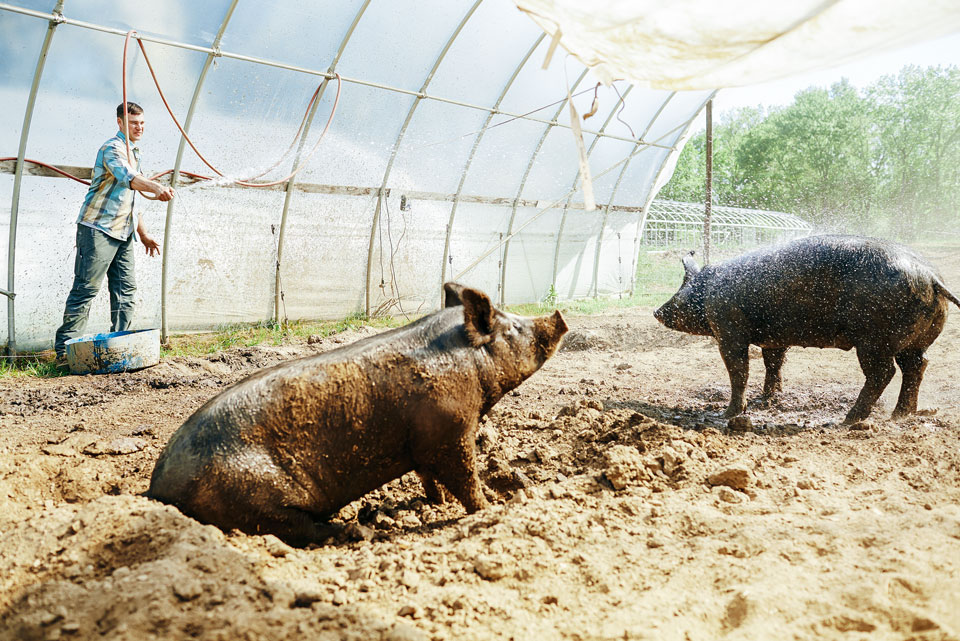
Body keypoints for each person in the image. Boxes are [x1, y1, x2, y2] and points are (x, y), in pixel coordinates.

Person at [53, 102, 175, 367]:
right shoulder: (112, 148)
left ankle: (120, 345)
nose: (139, 127)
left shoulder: (136, 153)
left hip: (124, 233)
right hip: (98, 228)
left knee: (126, 291)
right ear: (120, 123)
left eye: (142, 123)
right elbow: (128, 178)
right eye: (133, 123)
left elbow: (132, 201)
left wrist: (143, 234)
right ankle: (65, 352)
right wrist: (155, 187)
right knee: (86, 288)